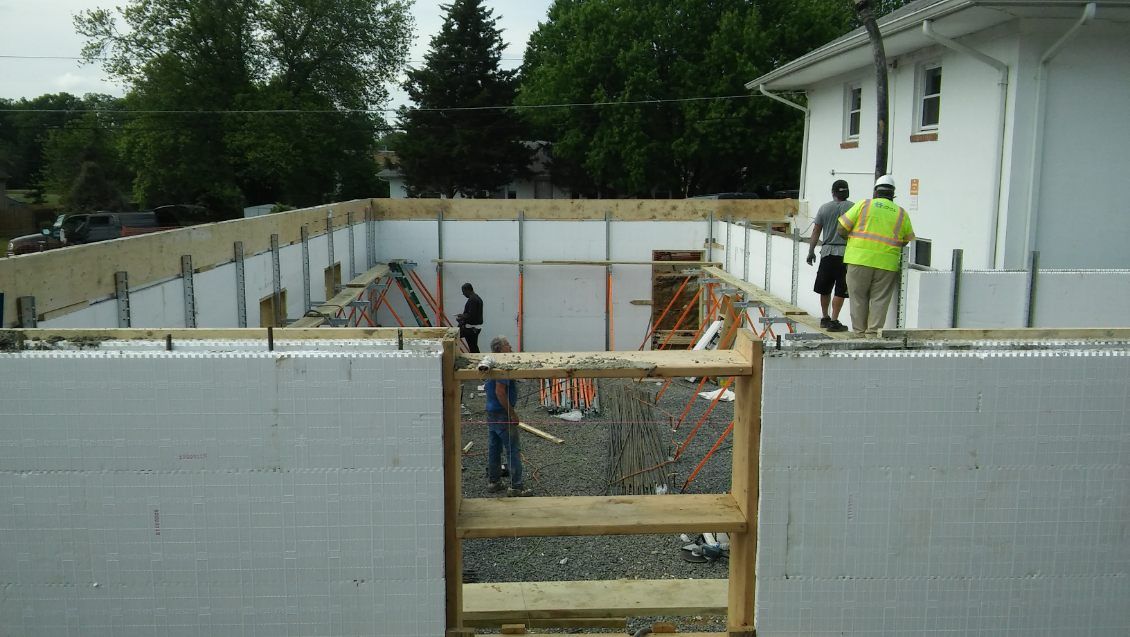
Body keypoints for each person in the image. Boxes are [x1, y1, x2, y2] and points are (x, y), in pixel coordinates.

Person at [837, 175, 915, 337]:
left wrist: (852, 240)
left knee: (858, 298)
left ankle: (859, 333)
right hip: (887, 264)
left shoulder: (864, 205)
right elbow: (906, 240)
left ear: (876, 192)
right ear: (893, 194)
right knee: (880, 300)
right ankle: (872, 334)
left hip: (858, 260)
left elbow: (842, 228)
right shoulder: (901, 213)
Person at [484, 336, 530, 497]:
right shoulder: (502, 364)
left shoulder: (490, 362)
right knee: (512, 449)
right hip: (502, 414)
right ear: (500, 349)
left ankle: (494, 482)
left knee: (494, 448)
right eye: (508, 345)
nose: (510, 347)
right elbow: (500, 392)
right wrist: (512, 414)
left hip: (491, 412)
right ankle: (516, 486)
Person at [806, 179, 853, 332]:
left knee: (825, 287)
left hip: (826, 253)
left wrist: (811, 251)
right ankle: (834, 319)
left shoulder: (824, 208)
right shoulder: (854, 208)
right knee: (840, 288)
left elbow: (816, 231)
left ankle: (825, 317)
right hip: (845, 254)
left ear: (833, 193)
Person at [456, 282, 483, 353]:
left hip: (470, 328)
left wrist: (461, 317)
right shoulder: (477, 298)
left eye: (464, 292)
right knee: (473, 347)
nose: (464, 294)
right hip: (474, 328)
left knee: (452, 337)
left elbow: (471, 316)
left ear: (467, 290)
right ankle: (478, 360)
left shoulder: (472, 299)